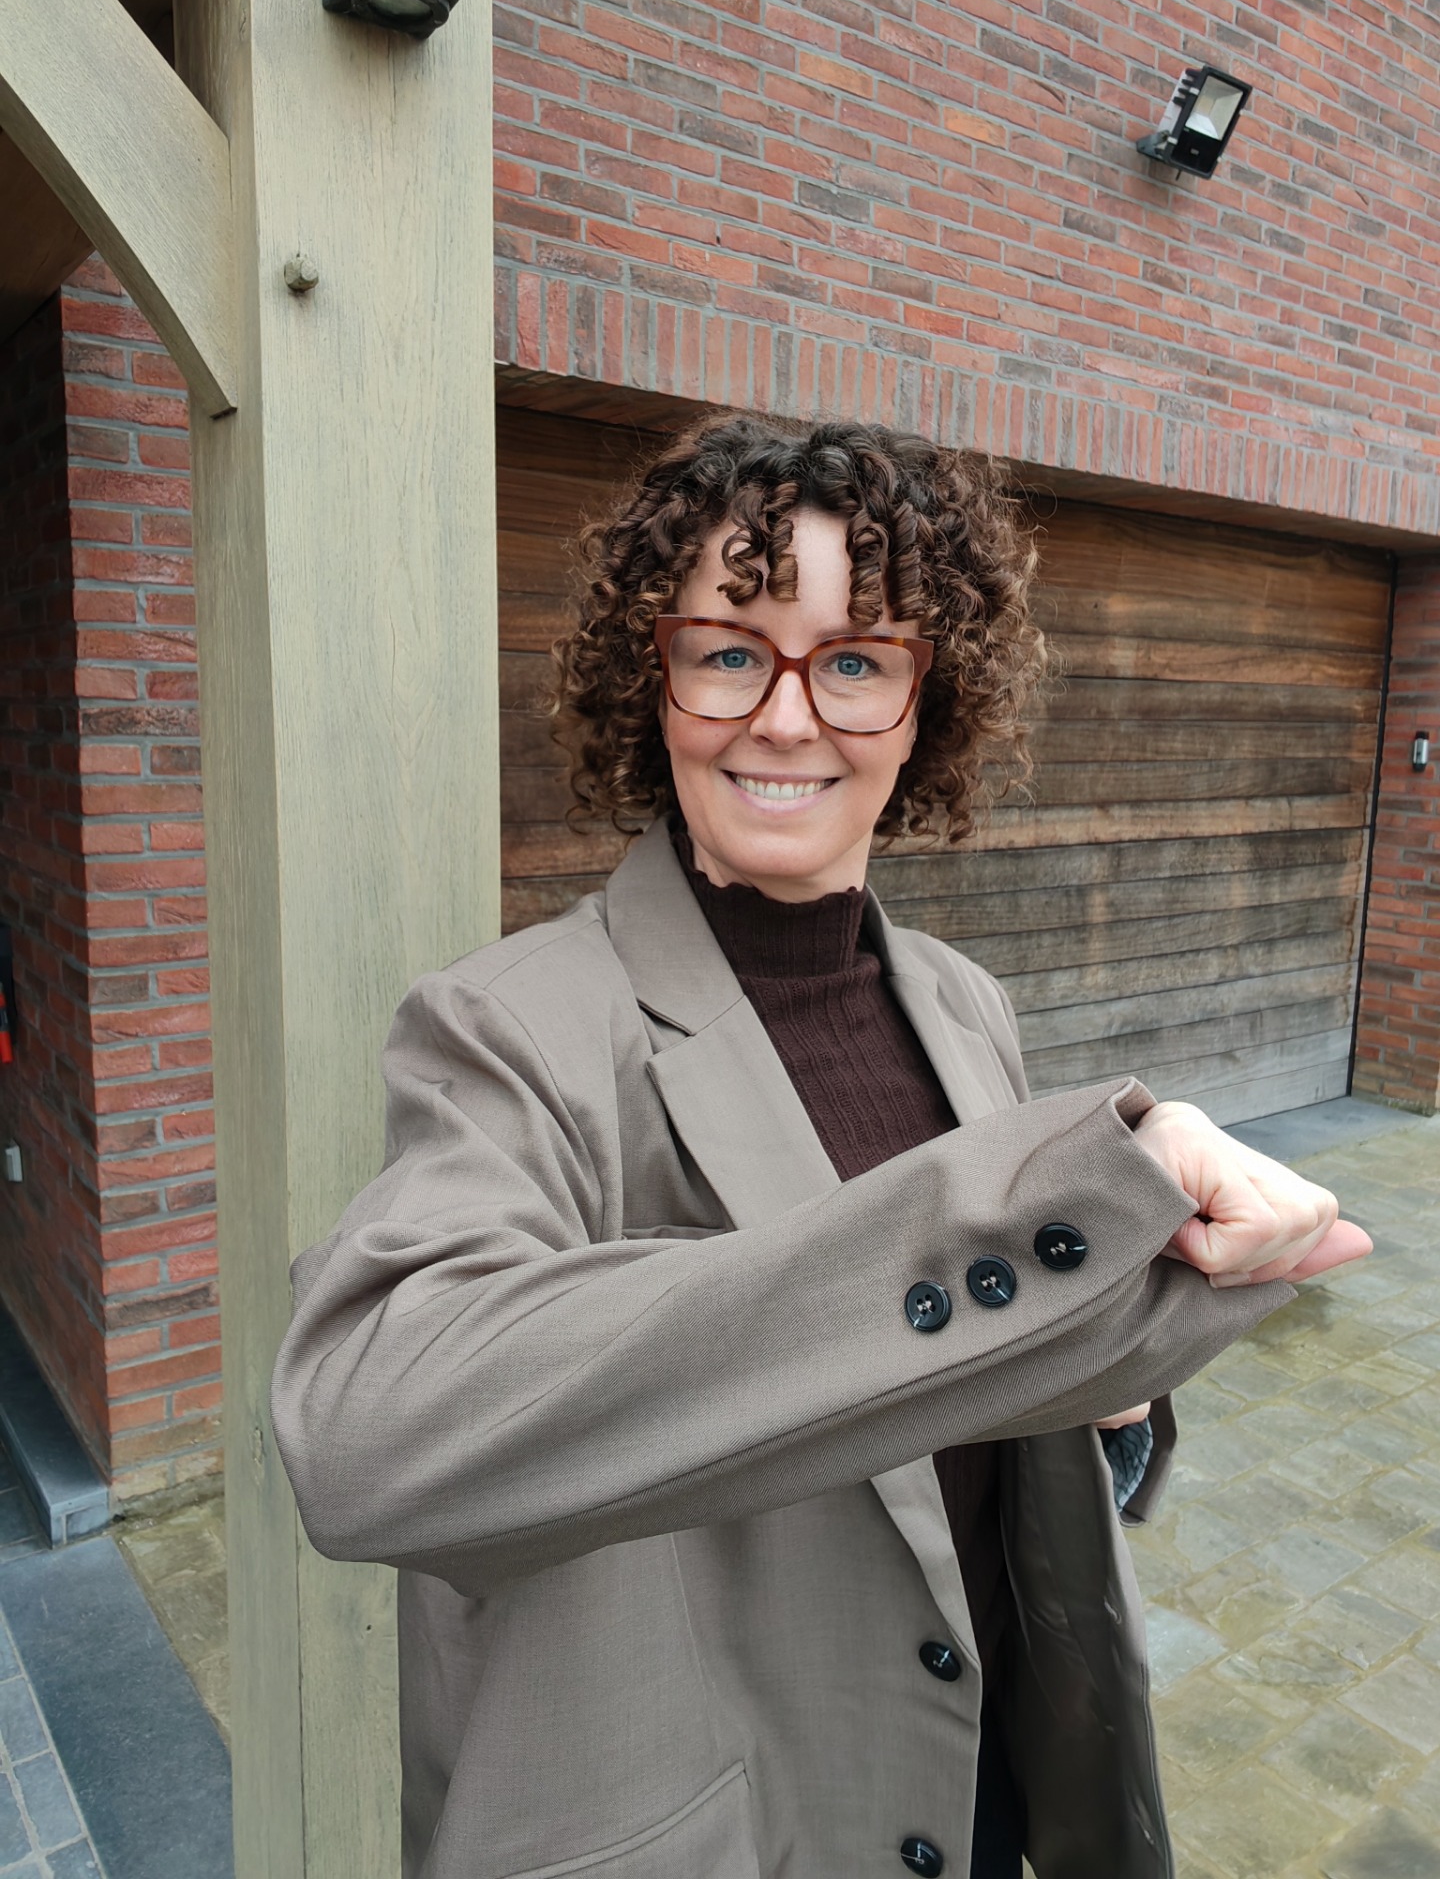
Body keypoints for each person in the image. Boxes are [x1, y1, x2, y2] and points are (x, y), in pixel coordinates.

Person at [271, 416, 1370, 1879]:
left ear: (927, 706)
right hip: (731, 1822)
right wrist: (1044, 1213)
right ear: (652, 683)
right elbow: (368, 1436)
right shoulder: (508, 1027)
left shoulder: (965, 1005)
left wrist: (1107, 1392)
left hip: (985, 1778)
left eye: (854, 662)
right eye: (732, 652)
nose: (786, 719)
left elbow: (970, 1403)